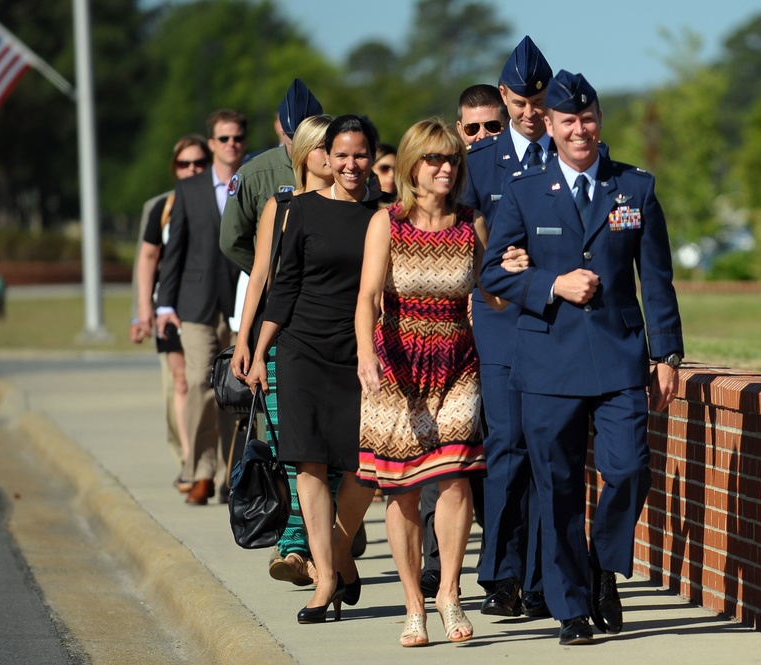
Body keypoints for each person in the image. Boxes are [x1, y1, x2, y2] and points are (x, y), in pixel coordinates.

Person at [479, 69, 684, 645]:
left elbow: (658, 281)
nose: (579, 130)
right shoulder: (523, 189)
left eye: (588, 118)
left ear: (599, 121)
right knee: (558, 485)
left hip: (620, 357)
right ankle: (571, 610)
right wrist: (550, 285)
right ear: (549, 122)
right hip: (547, 360)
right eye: (567, 120)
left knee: (626, 470)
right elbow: (493, 272)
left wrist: (666, 352)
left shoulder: (634, 188)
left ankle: (599, 563)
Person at [355, 119, 513, 647]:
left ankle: (450, 591)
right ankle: (413, 604)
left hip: (456, 360)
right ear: (411, 168)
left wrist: (512, 272)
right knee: (399, 489)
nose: (446, 167)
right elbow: (368, 296)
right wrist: (366, 354)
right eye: (434, 160)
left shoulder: (474, 224)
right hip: (396, 363)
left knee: (456, 477)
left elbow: (494, 298)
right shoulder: (387, 223)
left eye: (452, 159)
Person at [245, 115, 380, 624]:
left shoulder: (383, 215)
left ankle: (340, 554)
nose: (349, 164)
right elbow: (284, 287)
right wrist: (260, 351)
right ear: (325, 157)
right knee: (309, 464)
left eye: (360, 154)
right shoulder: (298, 211)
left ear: (372, 156)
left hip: (360, 352)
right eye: (340, 154)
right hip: (301, 348)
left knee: (364, 466)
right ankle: (324, 579)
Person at [461, 35, 554, 619]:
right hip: (498, 321)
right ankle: (501, 573)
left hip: (555, 322)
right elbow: (460, 237)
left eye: (536, 99)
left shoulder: (569, 155)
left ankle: (547, 577)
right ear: (503, 95)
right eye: (517, 101)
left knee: (550, 449)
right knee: (506, 446)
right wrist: (492, 268)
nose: (527, 111)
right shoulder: (478, 163)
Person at [230, 114, 336, 587]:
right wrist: (244, 343)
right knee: (291, 449)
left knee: (339, 453)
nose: (337, 157)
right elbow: (259, 278)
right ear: (305, 154)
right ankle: (295, 549)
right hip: (283, 341)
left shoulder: (369, 207)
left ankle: (328, 539)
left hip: (345, 344)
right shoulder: (282, 205)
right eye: (326, 148)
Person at [155, 109, 246, 505]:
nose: (232, 145)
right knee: (197, 384)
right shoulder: (189, 190)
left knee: (234, 391)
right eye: (224, 139)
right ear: (211, 144)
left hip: (240, 302)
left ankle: (231, 475)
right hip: (194, 304)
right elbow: (172, 252)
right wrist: (163, 306)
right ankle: (199, 471)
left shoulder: (253, 183)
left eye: (237, 138)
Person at [131, 134, 210, 491]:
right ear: (174, 168)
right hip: (170, 304)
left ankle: (210, 462)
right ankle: (189, 460)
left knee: (206, 384)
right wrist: (142, 311)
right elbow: (146, 259)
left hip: (209, 303)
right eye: (184, 164)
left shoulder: (222, 199)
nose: (192, 169)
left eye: (199, 163)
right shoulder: (161, 206)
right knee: (181, 382)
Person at [220, 78, 323, 275]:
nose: (302, 150)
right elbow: (231, 241)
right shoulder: (254, 173)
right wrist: (270, 276)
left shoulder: (338, 167)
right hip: (279, 295)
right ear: (281, 130)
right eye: (295, 142)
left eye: (310, 142)